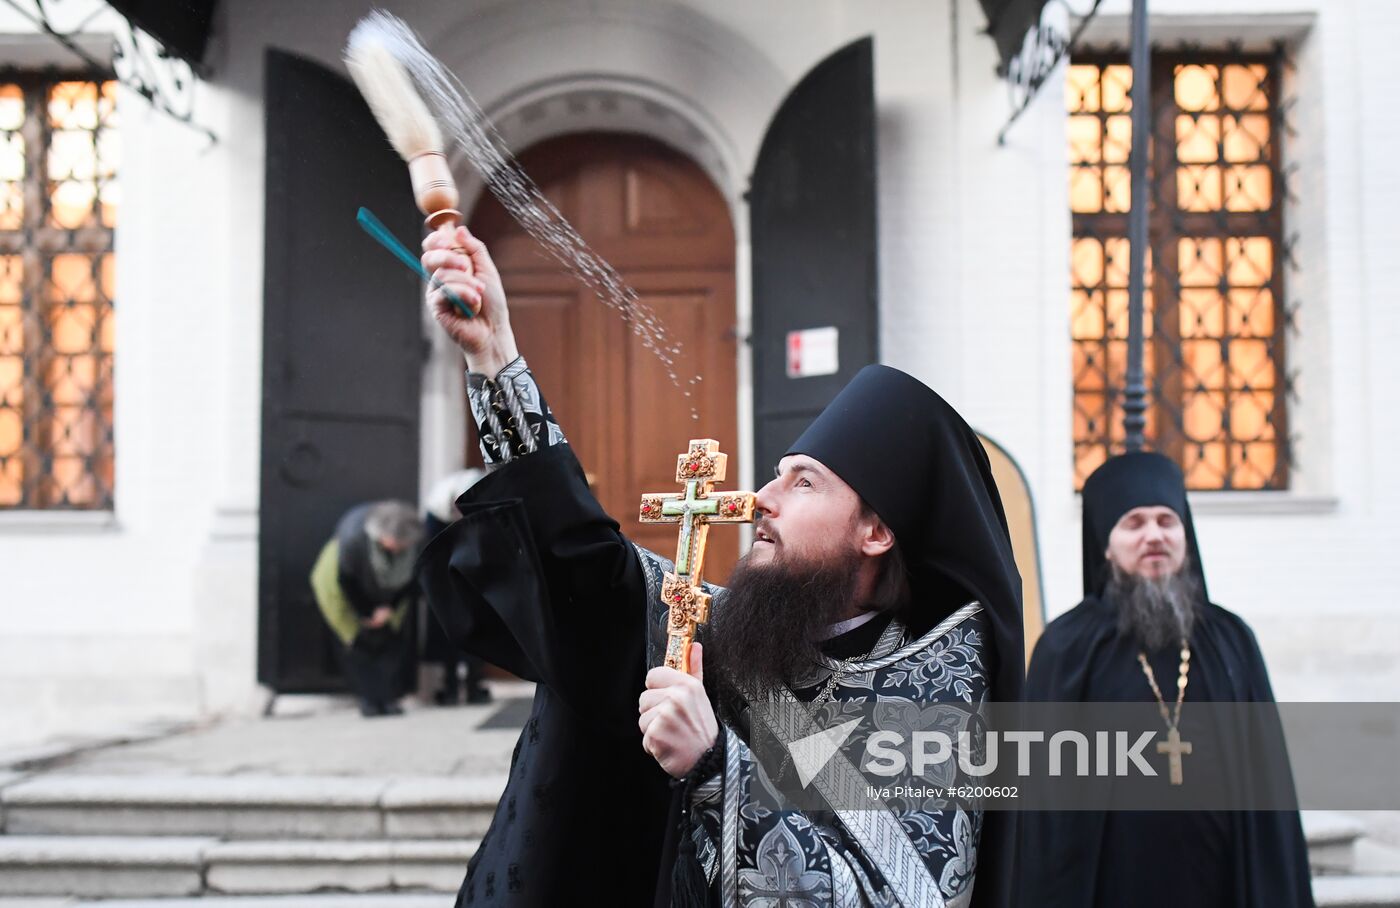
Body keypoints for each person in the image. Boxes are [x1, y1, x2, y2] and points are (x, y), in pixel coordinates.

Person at [416, 225, 1024, 906]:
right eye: (775, 474)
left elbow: (900, 900)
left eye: (803, 482)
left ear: (877, 530)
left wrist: (713, 768)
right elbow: (587, 576)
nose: (760, 499)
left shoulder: (933, 696)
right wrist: (496, 356)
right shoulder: (726, 630)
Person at [1017, 452, 1314, 907]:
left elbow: (1269, 791)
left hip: (1219, 885)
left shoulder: (1232, 640)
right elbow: (1042, 809)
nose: (1153, 535)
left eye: (1166, 521)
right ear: (1106, 543)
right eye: (1134, 523)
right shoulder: (1066, 648)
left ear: (1185, 536)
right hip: (1111, 887)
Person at [310, 499, 424, 717]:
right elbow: (345, 581)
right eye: (398, 543)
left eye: (405, 545)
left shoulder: (411, 541)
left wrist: (388, 608)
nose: (402, 547)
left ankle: (389, 698)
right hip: (347, 595)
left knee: (391, 643)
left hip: (387, 600)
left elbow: (412, 580)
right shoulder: (353, 541)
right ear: (383, 536)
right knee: (360, 647)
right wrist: (366, 613)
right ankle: (369, 700)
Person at [424, 469, 493, 705]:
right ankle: (450, 685)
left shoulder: (484, 500)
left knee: (478, 623)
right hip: (446, 575)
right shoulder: (437, 509)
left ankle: (474, 684)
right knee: (448, 624)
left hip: (475, 573)